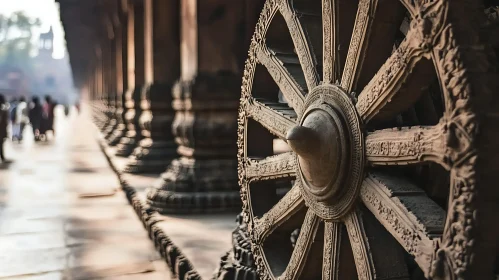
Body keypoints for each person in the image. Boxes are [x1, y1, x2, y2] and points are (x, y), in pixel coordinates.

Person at [0, 94, 10, 162]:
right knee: (1, 144)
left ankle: (2, 156)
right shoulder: (3, 109)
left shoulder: (3, 108)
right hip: (2, 130)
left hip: (2, 130)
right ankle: (2, 156)